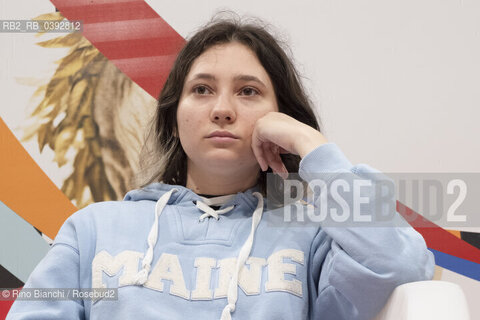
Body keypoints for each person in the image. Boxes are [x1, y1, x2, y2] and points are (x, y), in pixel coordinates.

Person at [7, 14, 434, 320]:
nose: (223, 110)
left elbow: (401, 263)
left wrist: (310, 146)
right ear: (175, 116)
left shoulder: (315, 237)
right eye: (202, 90)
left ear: (279, 117)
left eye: (248, 92)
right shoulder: (93, 229)